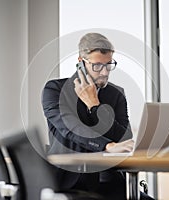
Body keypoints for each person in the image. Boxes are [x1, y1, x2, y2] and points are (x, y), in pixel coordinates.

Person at [42, 32, 153, 200]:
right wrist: (107, 145)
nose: (104, 72)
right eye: (97, 66)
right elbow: (70, 129)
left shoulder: (116, 94)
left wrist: (95, 106)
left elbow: (123, 138)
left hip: (111, 182)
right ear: (81, 63)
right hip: (71, 184)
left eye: (109, 65)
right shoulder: (55, 90)